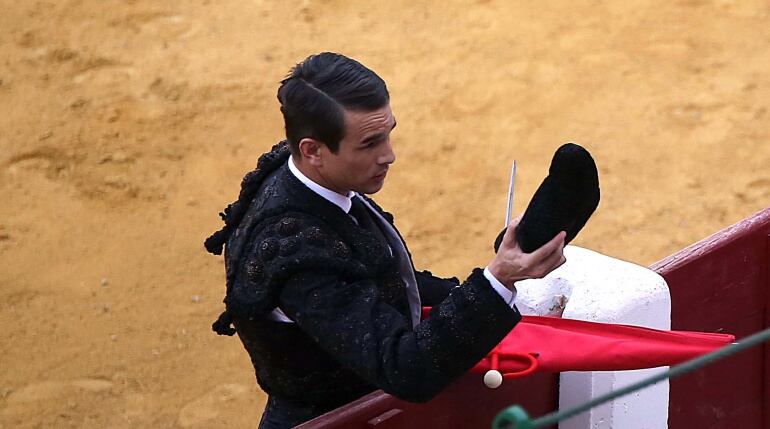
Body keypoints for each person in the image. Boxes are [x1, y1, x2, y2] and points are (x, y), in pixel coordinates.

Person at [204, 52, 566, 428]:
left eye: (388, 133)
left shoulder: (305, 176)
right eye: (369, 144)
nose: (389, 155)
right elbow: (408, 369)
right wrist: (497, 283)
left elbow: (383, 279)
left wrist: (484, 293)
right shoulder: (300, 258)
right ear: (313, 150)